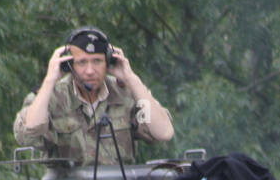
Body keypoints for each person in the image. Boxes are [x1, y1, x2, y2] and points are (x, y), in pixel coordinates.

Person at [13, 27, 174, 166]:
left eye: (97, 61)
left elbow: (164, 133)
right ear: (69, 64)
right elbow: (28, 135)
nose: (90, 70)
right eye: (82, 62)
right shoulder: (50, 97)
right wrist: (49, 80)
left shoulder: (126, 93)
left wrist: (131, 78)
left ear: (109, 62)